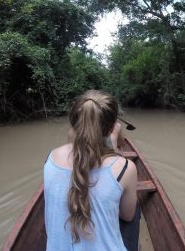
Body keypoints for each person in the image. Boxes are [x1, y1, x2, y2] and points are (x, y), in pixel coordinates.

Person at [44, 90, 138, 251]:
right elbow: (127, 216)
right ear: (111, 129)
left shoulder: (51, 158)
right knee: (135, 209)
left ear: (73, 123)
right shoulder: (125, 168)